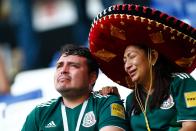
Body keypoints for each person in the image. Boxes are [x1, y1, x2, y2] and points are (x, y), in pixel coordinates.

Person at [88, 4, 196, 131]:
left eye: (132, 56)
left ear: (153, 57)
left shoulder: (181, 82)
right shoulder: (130, 100)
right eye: (124, 61)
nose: (127, 65)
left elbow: (191, 127)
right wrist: (114, 100)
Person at [21, 44, 130, 131]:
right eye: (59, 66)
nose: (63, 70)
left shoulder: (106, 102)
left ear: (92, 77)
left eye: (73, 66)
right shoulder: (40, 113)